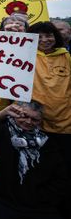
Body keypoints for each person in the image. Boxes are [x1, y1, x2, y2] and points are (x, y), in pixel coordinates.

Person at [0, 102, 70, 219]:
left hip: (38, 204)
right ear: (15, 115)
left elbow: (61, 177)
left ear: (40, 121)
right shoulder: (3, 131)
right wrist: (4, 112)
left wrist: (42, 197)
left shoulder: (47, 143)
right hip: (6, 201)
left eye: (34, 119)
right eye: (24, 116)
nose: (28, 122)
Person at [27, 21, 71, 170]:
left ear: (55, 36)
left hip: (65, 124)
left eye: (48, 35)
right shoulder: (25, 56)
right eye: (38, 37)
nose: (44, 40)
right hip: (36, 124)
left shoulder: (67, 57)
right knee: (43, 167)